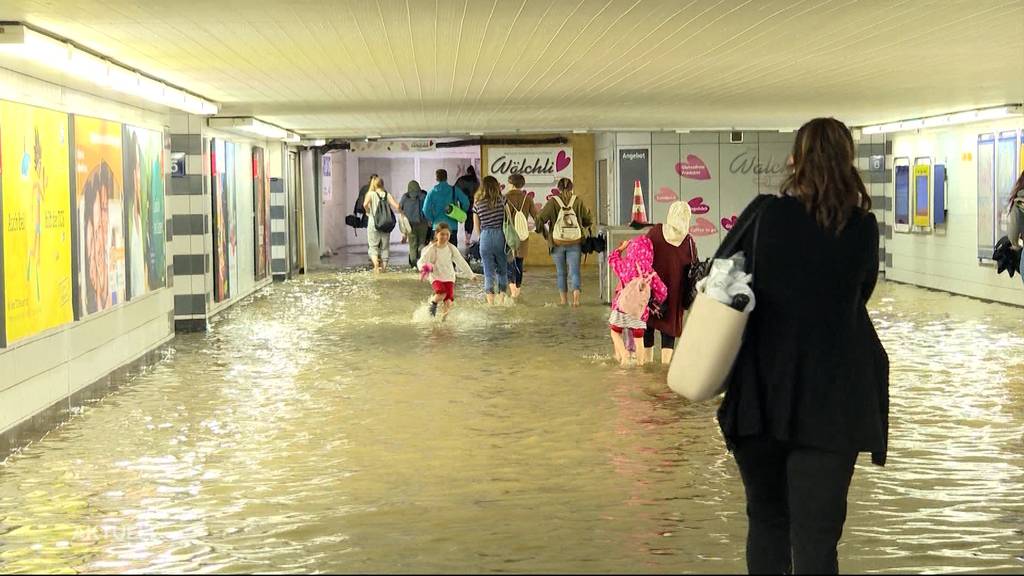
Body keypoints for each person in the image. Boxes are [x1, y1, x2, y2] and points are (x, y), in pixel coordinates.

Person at [717, 117, 889, 575]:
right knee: (816, 542)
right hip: (834, 403)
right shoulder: (863, 229)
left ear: (795, 161)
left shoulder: (765, 215)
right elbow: (859, 297)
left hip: (761, 399)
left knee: (768, 523)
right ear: (847, 163)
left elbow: (718, 275)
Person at [642, 200, 696, 365]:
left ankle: (646, 365)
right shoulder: (688, 242)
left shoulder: (654, 233)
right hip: (674, 293)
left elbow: (642, 258)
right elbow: (693, 270)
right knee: (669, 332)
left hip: (651, 292)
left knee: (648, 327)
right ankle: (664, 370)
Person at [608, 236, 667, 367]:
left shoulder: (626, 265)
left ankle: (624, 356)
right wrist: (656, 301)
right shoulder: (650, 272)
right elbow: (663, 291)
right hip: (640, 314)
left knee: (615, 332)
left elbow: (612, 259)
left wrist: (621, 248)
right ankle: (640, 366)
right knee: (639, 339)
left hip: (622, 309)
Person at [536, 177, 593, 307]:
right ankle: (576, 301)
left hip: (557, 243)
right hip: (575, 242)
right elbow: (587, 221)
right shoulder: (577, 201)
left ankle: (563, 301)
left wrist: (547, 235)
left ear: (559, 188)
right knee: (575, 272)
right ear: (571, 187)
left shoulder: (552, 202)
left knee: (561, 273)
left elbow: (540, 219)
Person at [417, 223, 476, 320]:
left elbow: (461, 261)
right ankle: (432, 304)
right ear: (436, 234)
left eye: (447, 235)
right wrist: (424, 269)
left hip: (449, 277)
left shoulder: (451, 248)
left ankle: (443, 321)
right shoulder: (432, 248)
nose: (444, 237)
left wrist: (471, 275)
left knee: (448, 302)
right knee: (441, 293)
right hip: (436, 277)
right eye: (442, 234)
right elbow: (421, 261)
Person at [472, 175, 509, 304]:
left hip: (485, 237)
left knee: (488, 272)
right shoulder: (503, 200)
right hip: (500, 235)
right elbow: (507, 220)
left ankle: (491, 303)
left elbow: (476, 227)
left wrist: (481, 237)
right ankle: (502, 299)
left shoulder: (477, 203)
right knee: (502, 270)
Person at [503, 174, 538, 299]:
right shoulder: (527, 199)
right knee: (519, 262)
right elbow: (536, 217)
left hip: (508, 235)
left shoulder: (505, 198)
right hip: (522, 235)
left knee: (508, 262)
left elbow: (502, 218)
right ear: (522, 185)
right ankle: (518, 289)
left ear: (511, 184)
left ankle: (512, 287)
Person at [362, 175, 400, 274]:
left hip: (373, 222)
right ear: (383, 184)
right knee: (385, 247)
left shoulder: (370, 194)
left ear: (373, 184)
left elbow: (365, 205)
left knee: (373, 246)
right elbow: (397, 206)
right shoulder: (387, 194)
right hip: (385, 224)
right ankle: (384, 268)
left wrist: (368, 211)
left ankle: (376, 266)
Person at [424, 169, 470, 248]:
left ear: (436, 178)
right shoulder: (454, 190)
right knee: (452, 253)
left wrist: (432, 219)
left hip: (437, 226)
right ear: (446, 177)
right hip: (451, 227)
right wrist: (460, 212)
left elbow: (425, 209)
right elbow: (466, 202)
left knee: (438, 253)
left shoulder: (431, 192)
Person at [400, 180, 431, 269]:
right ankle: (420, 261)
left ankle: (413, 263)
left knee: (412, 244)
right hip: (423, 223)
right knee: (421, 243)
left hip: (410, 225)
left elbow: (400, 208)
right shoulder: (423, 196)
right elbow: (428, 209)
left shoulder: (405, 197)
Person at [455, 165, 481, 237]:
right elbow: (479, 192)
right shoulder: (476, 180)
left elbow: (456, 188)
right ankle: (468, 237)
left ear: (467, 171)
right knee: (470, 220)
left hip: (463, 202)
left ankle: (465, 234)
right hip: (472, 202)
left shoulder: (461, 179)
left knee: (464, 217)